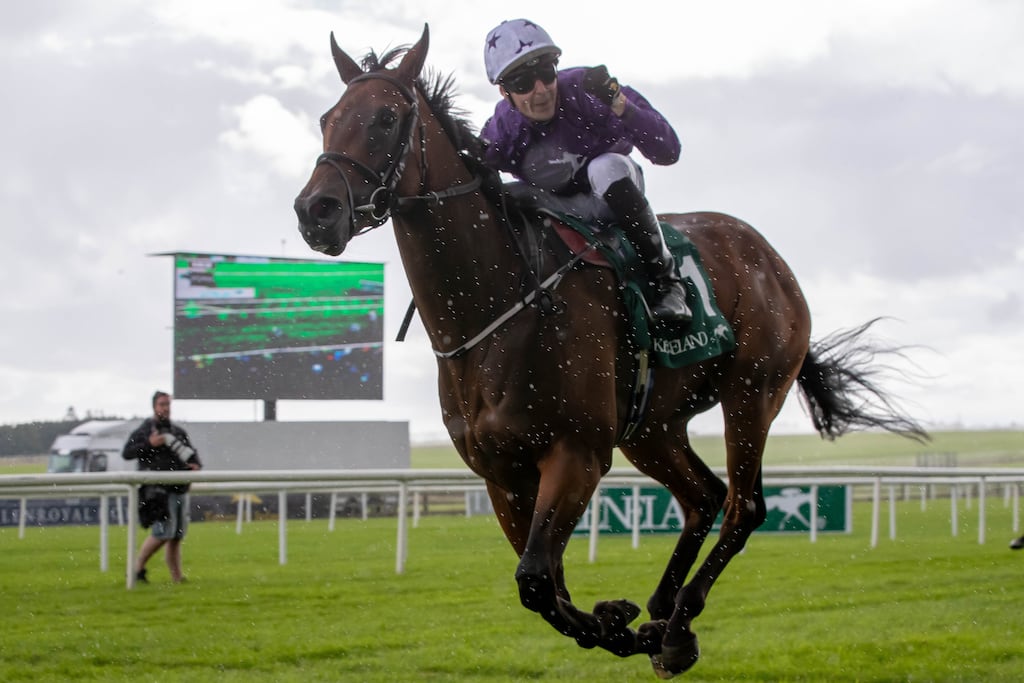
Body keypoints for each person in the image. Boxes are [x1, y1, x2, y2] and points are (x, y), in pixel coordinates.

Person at [481, 18, 691, 326]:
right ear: (504, 93)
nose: (540, 91)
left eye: (545, 74)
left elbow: (668, 150)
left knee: (604, 167)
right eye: (524, 84)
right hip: (561, 211)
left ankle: (669, 283)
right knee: (506, 195)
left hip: (612, 195)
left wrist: (620, 104)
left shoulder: (587, 90)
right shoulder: (502, 130)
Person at [122, 391, 202, 583]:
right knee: (163, 532)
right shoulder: (144, 431)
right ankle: (136, 568)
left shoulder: (177, 432)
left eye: (168, 404)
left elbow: (193, 456)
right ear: (154, 407)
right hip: (157, 491)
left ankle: (177, 577)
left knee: (176, 535)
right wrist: (149, 444)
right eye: (162, 404)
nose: (165, 408)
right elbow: (127, 452)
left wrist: (195, 466)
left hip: (179, 487)